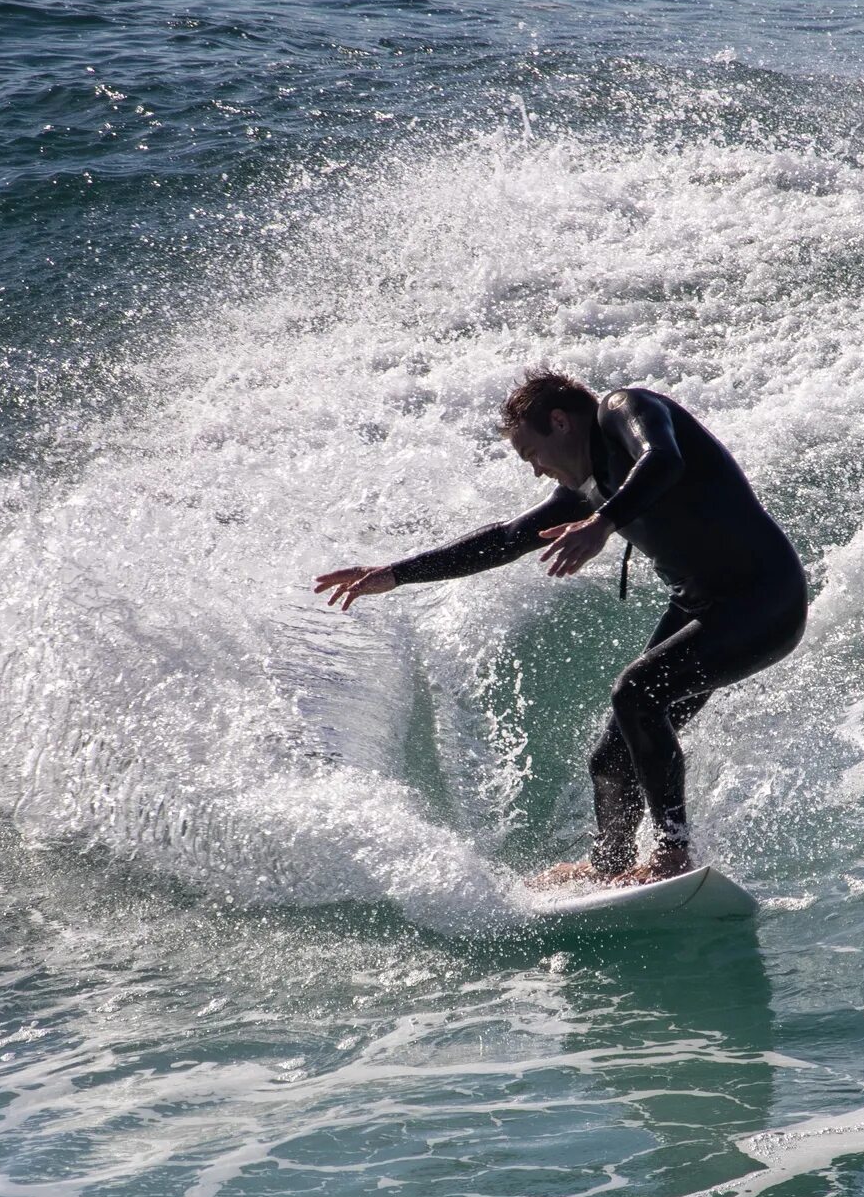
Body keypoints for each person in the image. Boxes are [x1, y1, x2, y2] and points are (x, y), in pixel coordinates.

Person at [316, 371, 808, 885]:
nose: (535, 471)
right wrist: (396, 574)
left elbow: (663, 460)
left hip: (763, 598)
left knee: (637, 694)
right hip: (701, 605)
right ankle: (610, 865)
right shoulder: (586, 490)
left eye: (531, 453)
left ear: (559, 421)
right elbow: (504, 538)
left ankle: (672, 851)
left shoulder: (626, 409)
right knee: (612, 759)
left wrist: (601, 524)